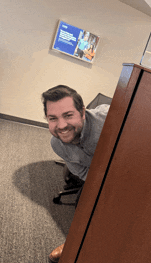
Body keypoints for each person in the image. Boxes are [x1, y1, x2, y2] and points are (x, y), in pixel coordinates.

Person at [41, 85, 110, 263]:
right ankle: (77, 242)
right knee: (84, 201)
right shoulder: (57, 144)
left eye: (68, 115)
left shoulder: (110, 121)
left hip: (133, 170)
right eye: (53, 118)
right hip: (100, 178)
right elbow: (82, 172)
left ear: (82, 112)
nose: (61, 125)